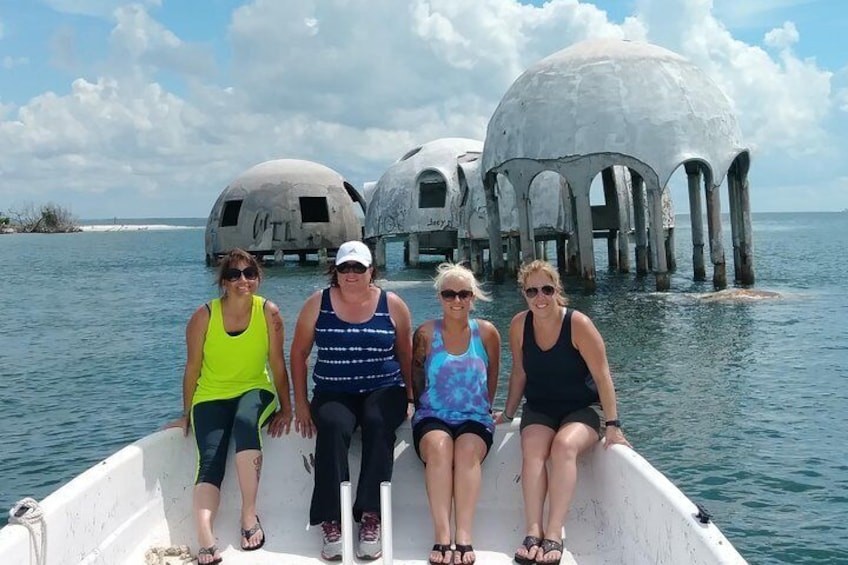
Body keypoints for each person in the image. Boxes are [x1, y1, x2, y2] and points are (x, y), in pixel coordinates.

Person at [495, 260, 630, 565]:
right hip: (540, 407)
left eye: (546, 289)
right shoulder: (519, 325)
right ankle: (533, 530)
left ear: (557, 290)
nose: (539, 297)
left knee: (563, 447)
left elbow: (602, 376)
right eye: (532, 291)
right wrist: (507, 413)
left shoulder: (578, 324)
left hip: (582, 409)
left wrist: (613, 425)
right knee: (532, 450)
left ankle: (554, 533)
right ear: (524, 294)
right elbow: (519, 372)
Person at [164, 248, 293, 565]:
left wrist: (288, 409)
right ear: (223, 281)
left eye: (249, 274)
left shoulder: (269, 313)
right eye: (234, 275)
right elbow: (192, 368)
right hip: (210, 395)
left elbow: (278, 365)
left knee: (246, 424)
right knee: (209, 459)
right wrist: (186, 414)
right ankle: (205, 538)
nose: (242, 280)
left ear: (258, 279)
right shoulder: (203, 316)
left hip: (255, 389)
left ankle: (249, 515)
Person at [290, 240, 413, 561]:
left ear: (371, 270)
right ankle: (331, 519)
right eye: (345, 267)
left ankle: (370, 515)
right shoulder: (318, 303)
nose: (351, 273)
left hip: (385, 388)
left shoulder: (393, 304)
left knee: (378, 422)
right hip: (333, 391)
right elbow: (299, 353)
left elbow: (405, 353)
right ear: (336, 271)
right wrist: (300, 403)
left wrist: (413, 397)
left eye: (359, 267)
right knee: (332, 426)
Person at [411, 263, 501, 565]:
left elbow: (492, 377)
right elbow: (417, 376)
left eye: (463, 294)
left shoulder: (487, 333)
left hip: (475, 417)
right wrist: (417, 407)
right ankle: (442, 536)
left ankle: (463, 536)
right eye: (449, 294)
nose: (457, 301)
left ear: (473, 297)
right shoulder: (424, 333)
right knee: (439, 447)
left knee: (466, 450)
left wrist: (485, 408)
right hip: (432, 415)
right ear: (440, 297)